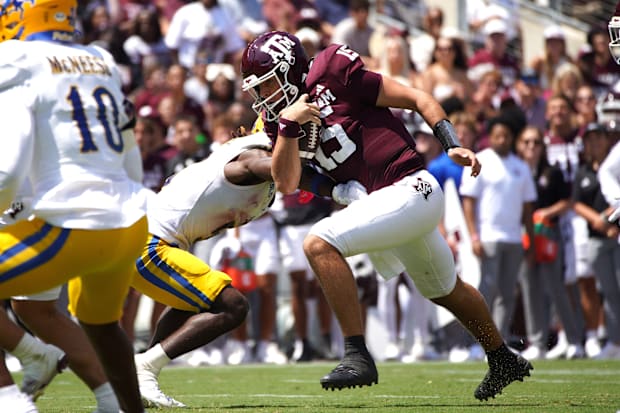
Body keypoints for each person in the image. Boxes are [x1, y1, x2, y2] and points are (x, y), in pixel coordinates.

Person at [240, 30, 533, 400]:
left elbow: (416, 97)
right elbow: (287, 182)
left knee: (318, 244)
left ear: (288, 70)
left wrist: (452, 146)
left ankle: (357, 353)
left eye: (265, 86)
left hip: (411, 187)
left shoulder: (333, 70)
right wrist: (296, 136)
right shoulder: (280, 122)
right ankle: (502, 356)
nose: (261, 96)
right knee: (444, 290)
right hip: (391, 206)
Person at [129, 131, 357, 407]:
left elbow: (290, 175)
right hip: (149, 245)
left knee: (191, 303)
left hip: (150, 243)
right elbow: (278, 171)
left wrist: (333, 187)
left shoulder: (250, 156)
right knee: (233, 306)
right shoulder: (252, 157)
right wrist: (337, 190)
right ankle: (144, 367)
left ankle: (134, 378)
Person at [0, 2, 150, 413]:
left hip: (69, 225)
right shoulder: (100, 58)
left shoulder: (16, 58)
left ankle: (11, 399)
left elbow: (7, 170)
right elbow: (131, 160)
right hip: (129, 225)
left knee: (42, 309)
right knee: (101, 324)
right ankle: (117, 406)